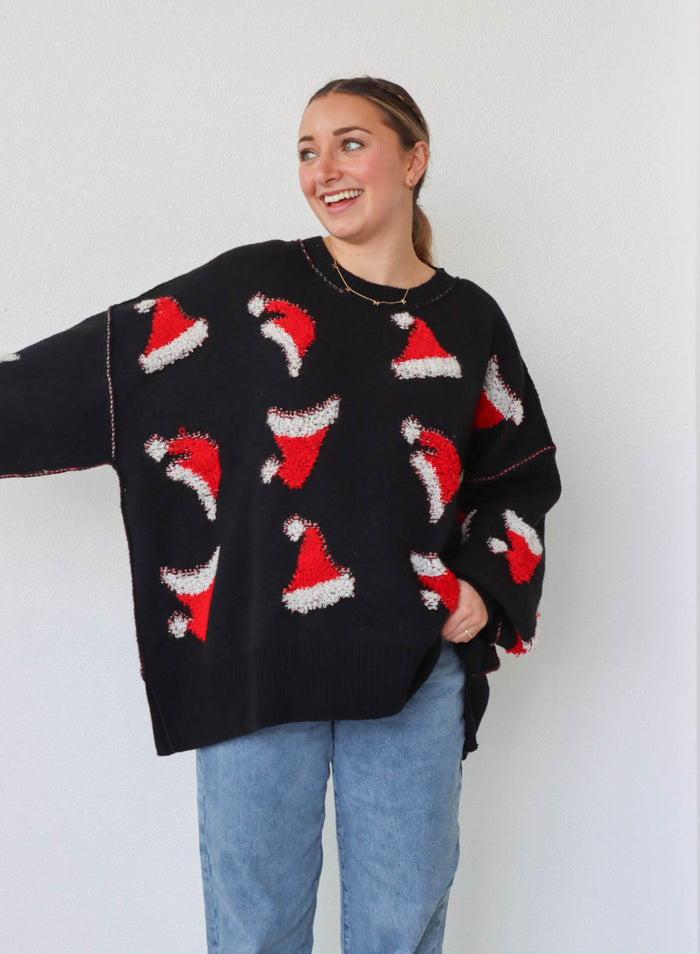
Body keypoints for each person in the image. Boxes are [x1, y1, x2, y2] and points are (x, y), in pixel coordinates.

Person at [0, 75, 562, 953]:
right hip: (258, 664)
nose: (323, 169)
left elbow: (519, 473)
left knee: (398, 927)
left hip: (412, 668)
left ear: (413, 160)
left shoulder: (469, 321)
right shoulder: (252, 286)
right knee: (256, 931)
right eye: (306, 150)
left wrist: (483, 590)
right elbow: (102, 372)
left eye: (349, 142)